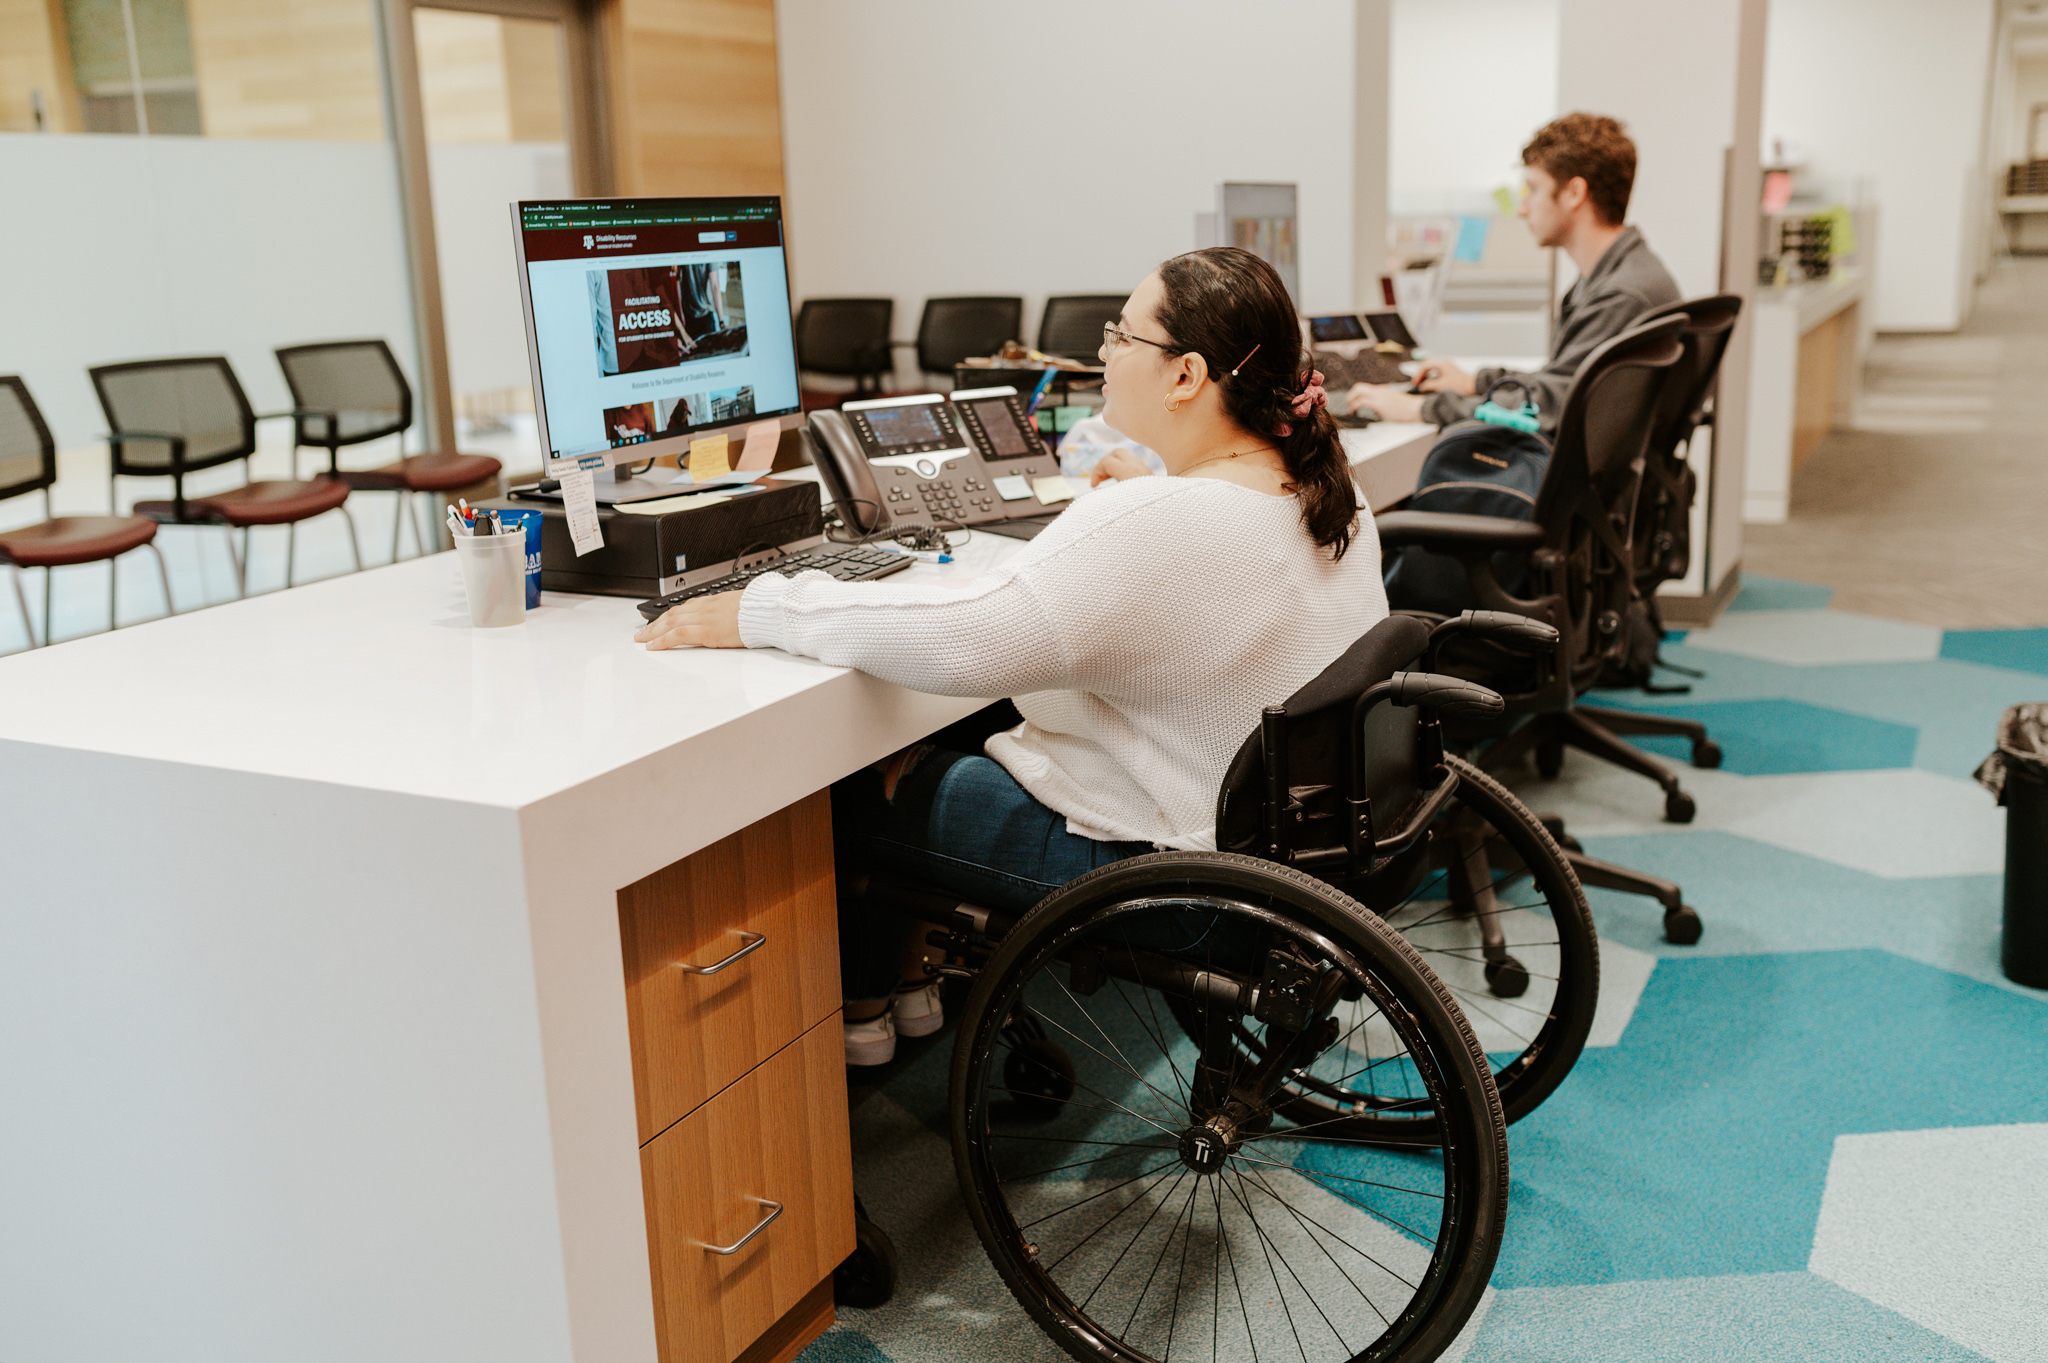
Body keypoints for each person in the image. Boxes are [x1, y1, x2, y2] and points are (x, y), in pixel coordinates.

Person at [633, 247, 1388, 1063]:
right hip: (1291, 861)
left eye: (1121, 335)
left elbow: (963, 639)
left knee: (862, 782)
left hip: (1185, 883)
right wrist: (1147, 486)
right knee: (964, 731)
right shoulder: (1329, 494)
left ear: (1186, 376)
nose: (1101, 351)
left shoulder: (1159, 518)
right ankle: (910, 992)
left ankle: (862, 1017)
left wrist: (766, 607)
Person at [1348, 112, 1680, 432]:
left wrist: (1419, 409)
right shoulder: (1618, 275)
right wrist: (1475, 382)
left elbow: (1548, 406)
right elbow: (1560, 381)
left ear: (1574, 193)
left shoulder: (1622, 295)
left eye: (1533, 189)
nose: (1522, 209)